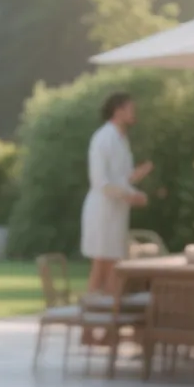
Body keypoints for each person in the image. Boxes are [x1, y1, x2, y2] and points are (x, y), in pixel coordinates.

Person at [80, 92, 151, 299]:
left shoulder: (122, 139)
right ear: (118, 111)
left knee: (115, 264)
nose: (134, 112)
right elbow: (100, 181)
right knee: (101, 263)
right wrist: (130, 197)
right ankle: (89, 327)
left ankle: (109, 320)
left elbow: (122, 179)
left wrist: (137, 177)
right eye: (130, 108)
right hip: (102, 211)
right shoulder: (103, 138)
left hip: (117, 212)